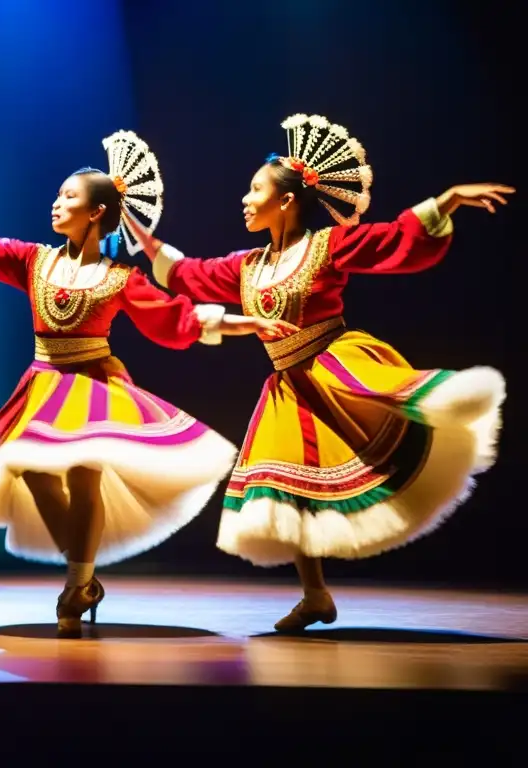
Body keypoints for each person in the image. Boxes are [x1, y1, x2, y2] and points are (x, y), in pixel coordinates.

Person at [128, 113, 511, 631]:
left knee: (396, 433)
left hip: (336, 364)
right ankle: (315, 594)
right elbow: (190, 273)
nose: (244, 198)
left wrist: (446, 201)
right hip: (289, 387)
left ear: (286, 201)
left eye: (255, 189)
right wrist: (147, 243)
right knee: (287, 488)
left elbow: (390, 238)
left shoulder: (327, 246)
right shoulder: (247, 266)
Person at [0, 130, 295, 638]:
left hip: (95, 381)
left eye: (69, 197)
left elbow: (172, 318)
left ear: (96, 212)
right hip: (44, 383)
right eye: (57, 195)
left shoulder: (120, 277)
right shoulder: (36, 260)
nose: (56, 203)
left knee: (84, 477)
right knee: (32, 472)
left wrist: (239, 323)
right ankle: (84, 569)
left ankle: (76, 584)